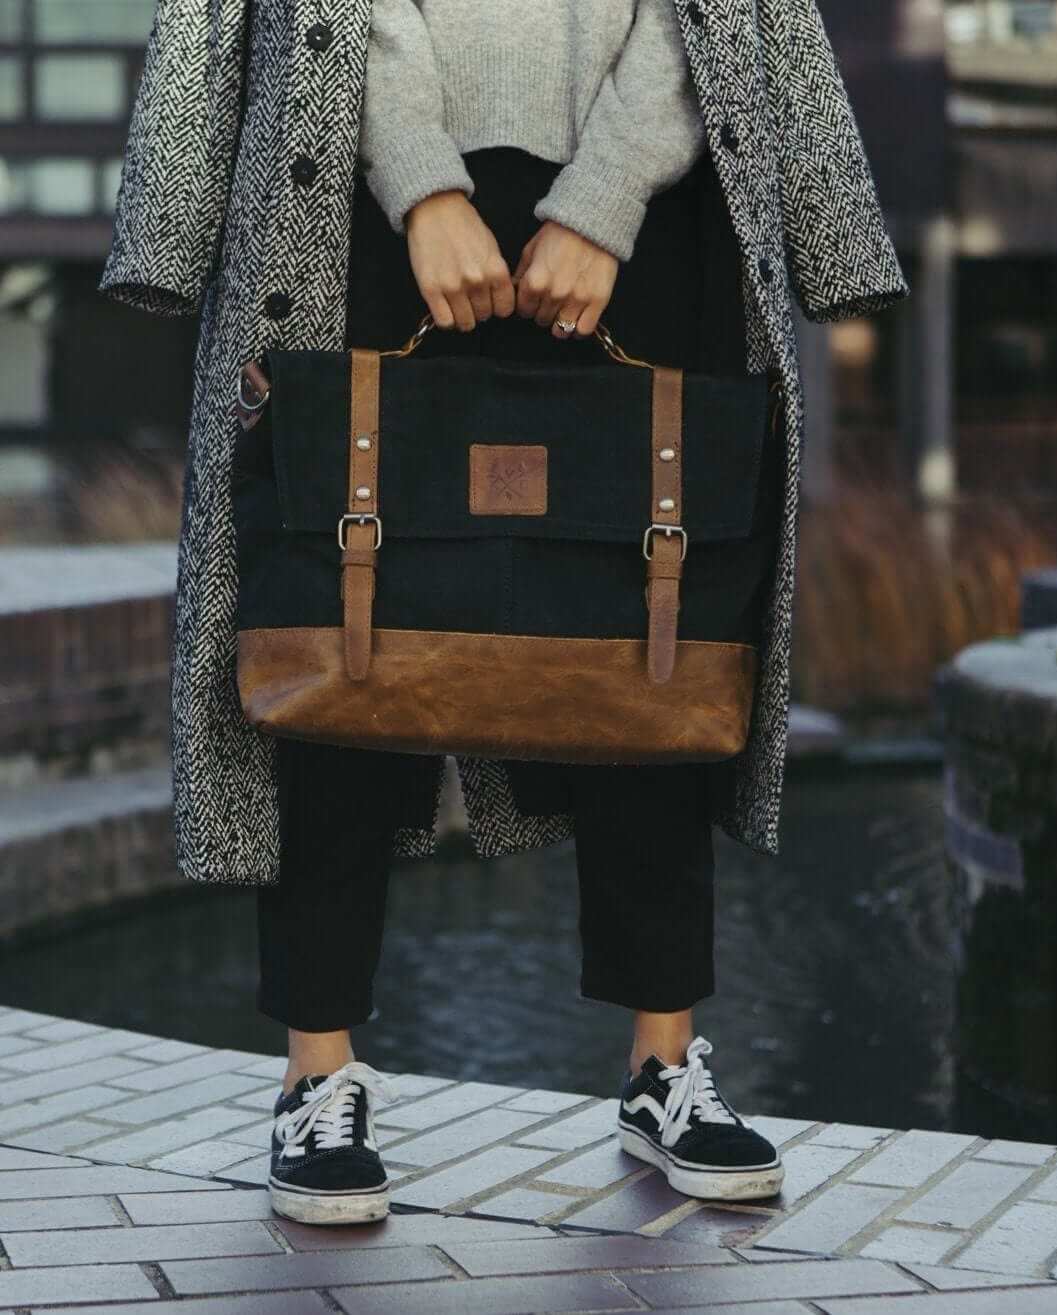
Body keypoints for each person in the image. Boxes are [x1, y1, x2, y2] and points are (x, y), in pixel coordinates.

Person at [261, 0, 788, 1226]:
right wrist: (420, 181)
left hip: (646, 190)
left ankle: (665, 1064)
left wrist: (604, 194)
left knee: (652, 616)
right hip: (362, 161)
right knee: (343, 611)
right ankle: (316, 1075)